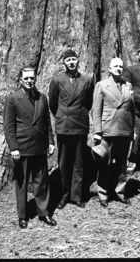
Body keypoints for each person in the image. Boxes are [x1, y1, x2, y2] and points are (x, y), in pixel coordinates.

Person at [3, 66, 57, 228]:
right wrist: (13, 148)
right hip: (22, 147)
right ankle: (23, 215)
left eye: (31, 78)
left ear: (35, 79)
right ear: (20, 80)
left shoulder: (42, 98)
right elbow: (8, 126)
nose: (29, 81)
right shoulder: (12, 99)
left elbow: (46, 122)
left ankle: (44, 212)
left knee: (41, 181)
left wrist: (51, 142)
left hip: (40, 146)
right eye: (26, 78)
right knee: (22, 182)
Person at [49, 49, 94, 209]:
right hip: (64, 126)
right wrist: (63, 115)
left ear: (78, 61)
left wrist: (78, 114)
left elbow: (88, 103)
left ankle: (77, 196)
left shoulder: (87, 80)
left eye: (74, 59)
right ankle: (64, 195)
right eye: (68, 60)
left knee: (79, 162)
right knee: (64, 163)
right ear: (64, 63)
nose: (72, 62)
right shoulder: (57, 80)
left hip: (80, 125)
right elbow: (53, 103)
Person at [92, 58, 135, 207]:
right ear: (109, 69)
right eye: (115, 66)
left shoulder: (127, 85)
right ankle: (103, 194)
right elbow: (96, 111)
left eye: (121, 66)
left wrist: (132, 130)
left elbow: (131, 109)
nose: (118, 68)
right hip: (107, 129)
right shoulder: (102, 85)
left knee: (122, 164)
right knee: (105, 163)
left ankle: (120, 191)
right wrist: (97, 131)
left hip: (124, 129)